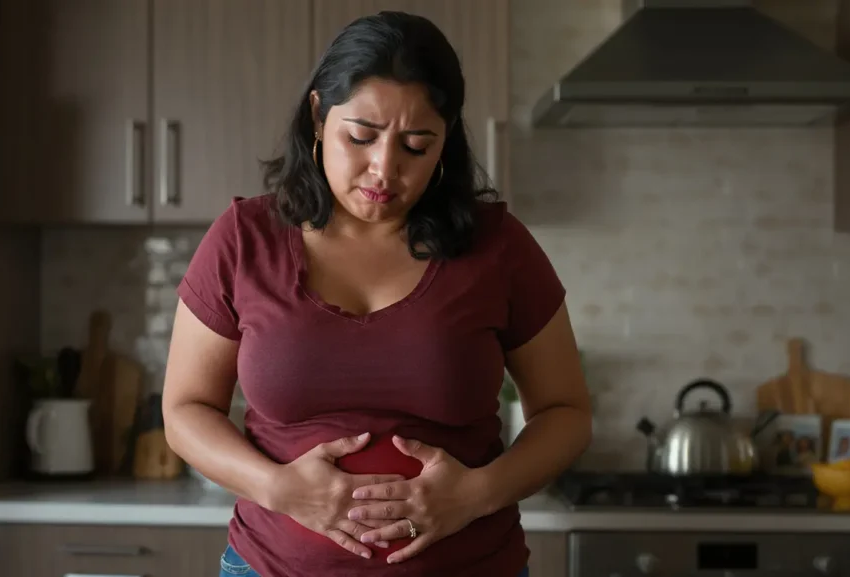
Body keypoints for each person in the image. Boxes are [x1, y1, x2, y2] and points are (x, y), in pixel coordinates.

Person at [161, 10, 592, 577]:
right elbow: (185, 410)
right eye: (361, 137)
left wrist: (476, 495)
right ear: (319, 116)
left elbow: (566, 413)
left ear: (446, 140)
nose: (384, 169)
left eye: (416, 145)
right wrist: (279, 488)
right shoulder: (244, 239)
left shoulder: (499, 246)